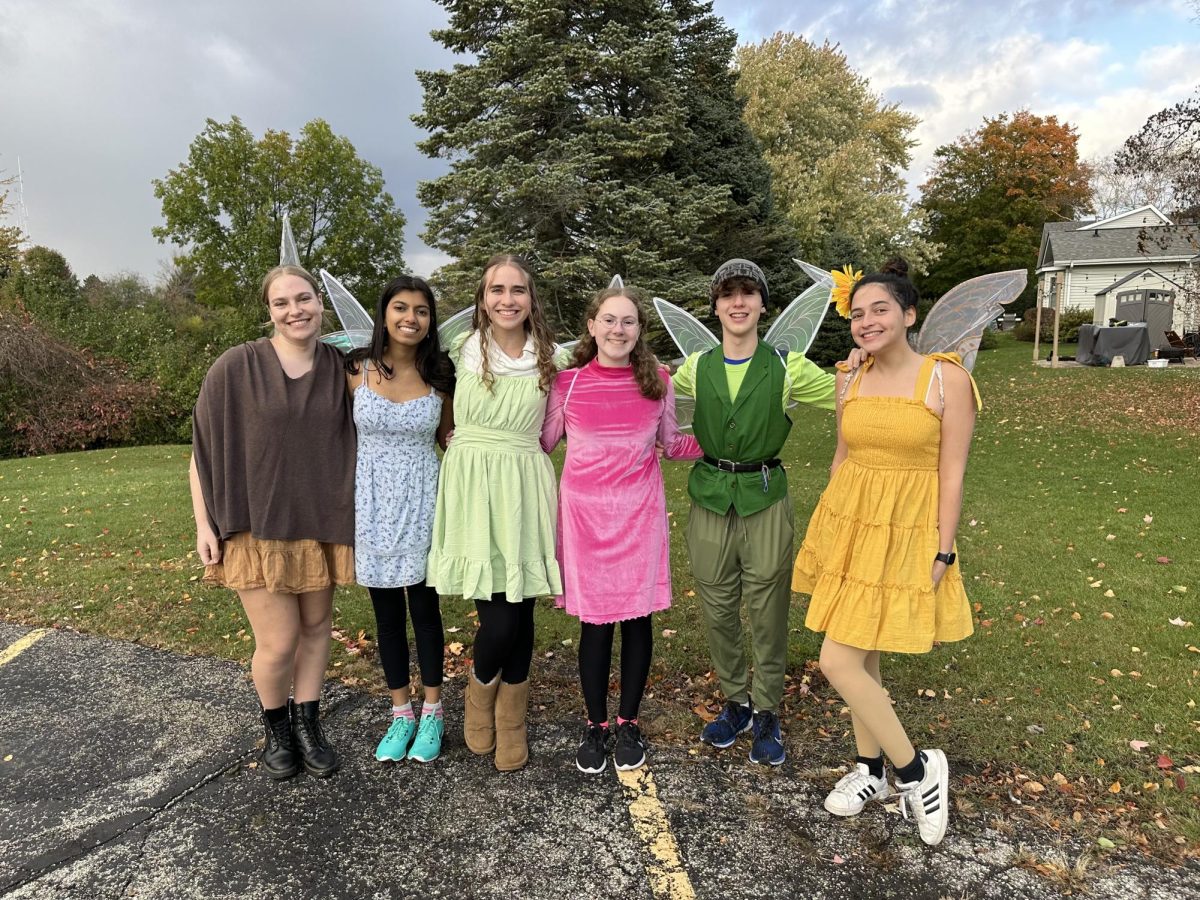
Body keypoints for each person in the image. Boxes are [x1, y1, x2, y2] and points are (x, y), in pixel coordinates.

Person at [791, 258, 978, 847]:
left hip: (909, 527)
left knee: (837, 660)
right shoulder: (851, 377)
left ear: (909, 314)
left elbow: (952, 475)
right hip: (852, 521)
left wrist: (943, 551)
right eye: (857, 312)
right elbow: (843, 456)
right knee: (861, 657)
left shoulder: (945, 380)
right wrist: (827, 527)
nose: (867, 321)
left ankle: (919, 771)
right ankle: (870, 770)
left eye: (880, 310)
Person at [190, 264, 354, 779]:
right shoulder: (236, 367)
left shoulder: (343, 368)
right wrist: (204, 524)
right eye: (282, 303)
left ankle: (309, 723)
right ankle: (276, 727)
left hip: (319, 522)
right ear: (269, 311)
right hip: (254, 526)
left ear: (319, 303)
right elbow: (201, 452)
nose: (295, 311)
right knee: (278, 640)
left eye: (303, 299)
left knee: (316, 627)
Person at [672, 259, 837, 766]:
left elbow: (853, 398)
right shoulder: (695, 367)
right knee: (718, 607)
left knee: (767, 608)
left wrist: (909, 370)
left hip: (765, 494)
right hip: (709, 494)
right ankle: (736, 701)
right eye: (727, 294)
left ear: (763, 304)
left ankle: (766, 709)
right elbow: (647, 401)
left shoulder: (788, 366)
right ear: (716, 305)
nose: (738, 302)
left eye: (748, 293)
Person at [541, 286, 701, 774]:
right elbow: (541, 442)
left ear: (639, 330)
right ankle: (595, 726)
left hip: (638, 516)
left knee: (636, 621)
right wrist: (473, 441)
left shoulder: (659, 381)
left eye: (628, 321)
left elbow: (671, 444)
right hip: (585, 521)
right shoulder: (565, 383)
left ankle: (628, 721)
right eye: (608, 320)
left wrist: (729, 444)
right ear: (591, 326)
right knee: (594, 625)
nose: (617, 330)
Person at [425, 254, 568, 772]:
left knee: (522, 608)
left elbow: (615, 370)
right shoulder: (459, 351)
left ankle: (511, 719)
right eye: (496, 290)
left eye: (518, 290)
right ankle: (479, 693)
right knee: (498, 618)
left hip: (525, 481)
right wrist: (449, 439)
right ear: (482, 299)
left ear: (532, 299)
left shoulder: (553, 357)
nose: (507, 299)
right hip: (474, 487)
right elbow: (424, 403)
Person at [346, 275, 455, 764]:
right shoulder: (354, 370)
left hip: (424, 503)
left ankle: (432, 712)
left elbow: (451, 440)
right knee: (387, 618)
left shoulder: (441, 375)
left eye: (422, 311)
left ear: (430, 322)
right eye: (401, 308)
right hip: (370, 507)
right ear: (384, 313)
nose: (411, 318)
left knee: (425, 614)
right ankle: (401, 713)